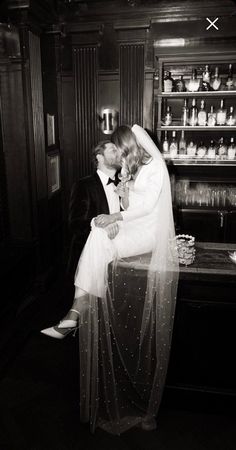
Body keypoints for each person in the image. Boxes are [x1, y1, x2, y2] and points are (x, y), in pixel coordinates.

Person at [41, 125, 179, 435]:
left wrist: (116, 214)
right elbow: (127, 208)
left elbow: (143, 209)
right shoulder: (131, 171)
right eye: (112, 150)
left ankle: (76, 311)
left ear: (128, 145)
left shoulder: (154, 165)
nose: (117, 154)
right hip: (132, 229)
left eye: (119, 148)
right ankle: (76, 312)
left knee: (100, 232)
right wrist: (122, 199)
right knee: (98, 234)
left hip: (148, 235)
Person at [67, 140, 122, 277]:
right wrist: (98, 225)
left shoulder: (124, 184)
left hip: (119, 255)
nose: (119, 153)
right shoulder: (83, 185)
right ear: (99, 157)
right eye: (113, 150)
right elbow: (75, 224)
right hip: (90, 259)